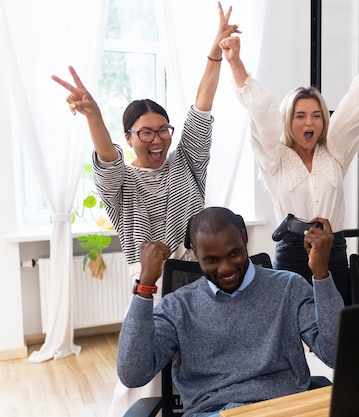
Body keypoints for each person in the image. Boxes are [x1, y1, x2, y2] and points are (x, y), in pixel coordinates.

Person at [51, 3, 241, 414]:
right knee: (144, 379)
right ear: (129, 137)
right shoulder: (122, 183)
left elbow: (202, 108)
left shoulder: (186, 160)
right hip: (151, 285)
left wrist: (214, 53)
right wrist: (94, 114)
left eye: (163, 130)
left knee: (211, 368)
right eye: (145, 133)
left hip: (202, 276)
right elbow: (106, 156)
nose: (157, 140)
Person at [218, 31, 359, 305]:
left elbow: (353, 108)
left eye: (317, 115)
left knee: (336, 325)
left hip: (334, 250)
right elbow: (262, 111)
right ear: (288, 120)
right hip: (292, 253)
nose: (309, 123)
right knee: (290, 328)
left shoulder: (335, 152)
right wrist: (235, 61)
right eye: (300, 116)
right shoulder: (275, 157)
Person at [117, 207, 344, 417]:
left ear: (244, 238)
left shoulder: (289, 287)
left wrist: (321, 274)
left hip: (284, 408)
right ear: (195, 253)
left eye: (234, 254)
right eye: (211, 260)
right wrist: (144, 286)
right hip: (213, 412)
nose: (225, 268)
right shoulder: (178, 306)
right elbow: (133, 373)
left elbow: (336, 355)